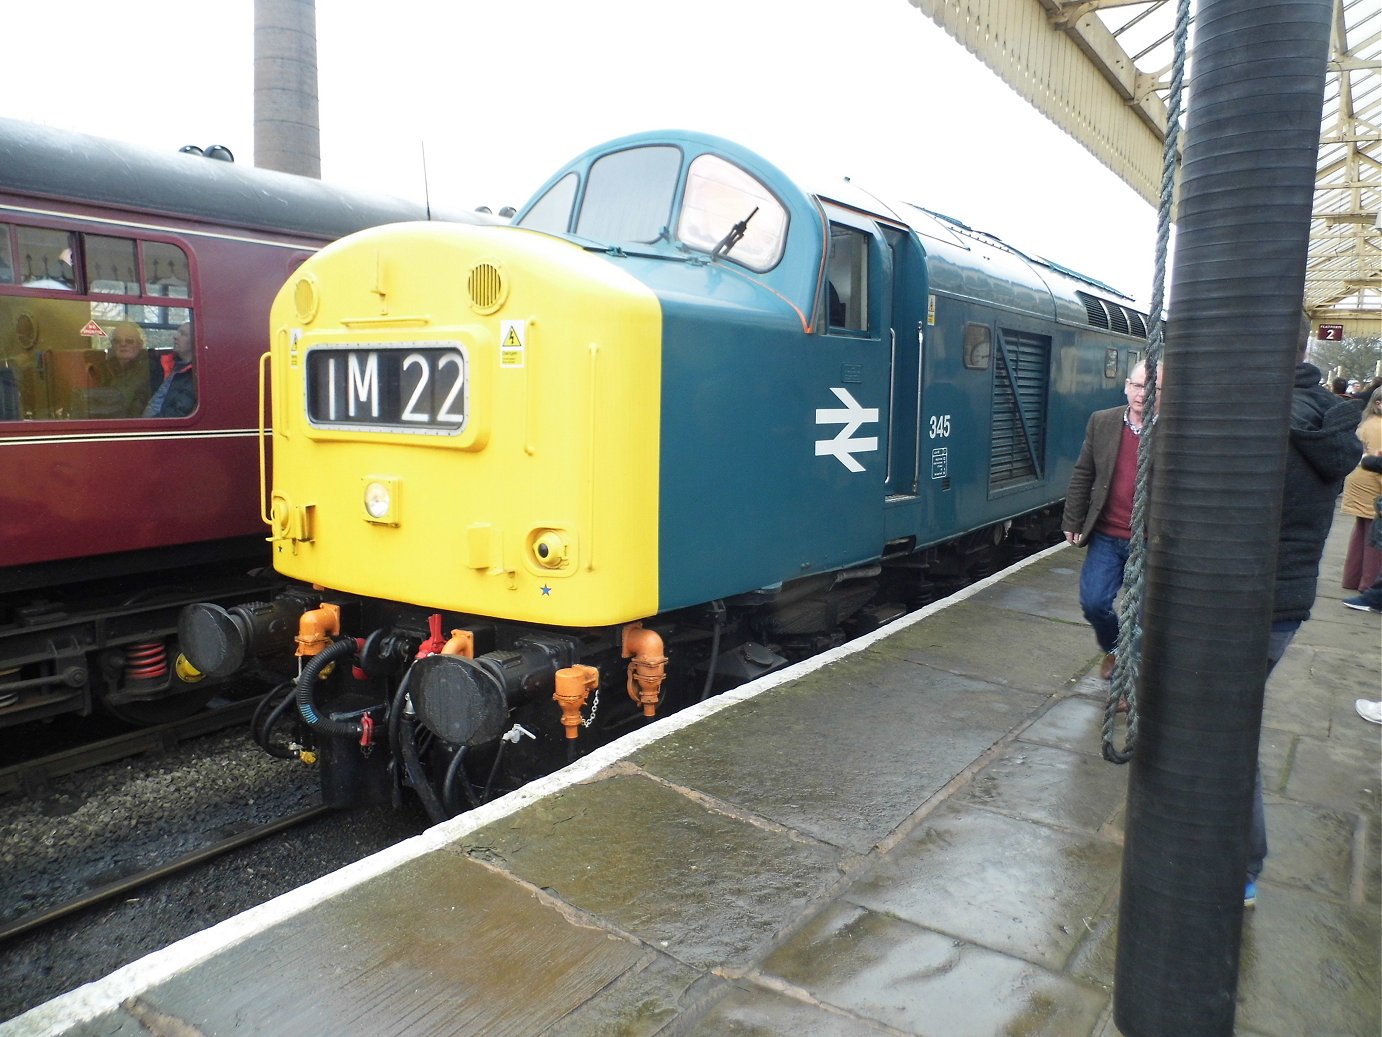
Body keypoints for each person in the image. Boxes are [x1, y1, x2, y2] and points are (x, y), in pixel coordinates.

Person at [1247, 344, 1365, 906]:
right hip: (1286, 606)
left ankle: (1242, 863)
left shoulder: (1250, 420)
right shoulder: (1329, 419)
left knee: (1220, 734)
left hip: (1231, 608)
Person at [1062, 360, 1160, 680]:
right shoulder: (1101, 422)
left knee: (1144, 617)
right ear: (1126, 385)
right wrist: (1073, 519)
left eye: (1152, 388)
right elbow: (1084, 473)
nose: (1141, 394)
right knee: (1094, 603)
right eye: (1136, 385)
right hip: (1107, 534)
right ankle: (1115, 650)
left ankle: (1127, 682)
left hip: (1149, 539)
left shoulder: (1176, 432)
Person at [1339, 388, 1382, 592]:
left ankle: (1352, 578)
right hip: (1373, 482)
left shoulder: (1366, 422)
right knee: (1375, 539)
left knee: (1361, 533)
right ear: (1378, 403)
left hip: (1359, 480)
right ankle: (1369, 585)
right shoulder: (1380, 427)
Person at [1342, 452, 1382, 613]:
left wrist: (1370, 461)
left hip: (1367, 488)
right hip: (1369, 490)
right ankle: (1371, 591)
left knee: (1364, 542)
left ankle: (1373, 594)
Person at [99, 321, 159, 417]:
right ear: (112, 345)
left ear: (140, 344)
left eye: (129, 341)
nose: (123, 344)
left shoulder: (150, 370)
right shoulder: (102, 368)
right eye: (117, 341)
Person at [143, 322, 196, 417]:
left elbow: (177, 413)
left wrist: (148, 425)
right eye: (177, 332)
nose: (175, 336)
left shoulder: (194, 376)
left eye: (183, 334)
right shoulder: (170, 365)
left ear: (196, 341)